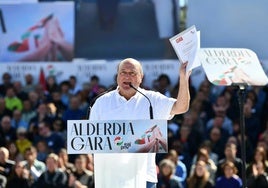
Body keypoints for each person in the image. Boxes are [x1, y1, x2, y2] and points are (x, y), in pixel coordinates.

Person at [89, 58, 191, 188]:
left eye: (132, 73)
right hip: (110, 176)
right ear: (117, 77)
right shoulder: (101, 102)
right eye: (123, 72)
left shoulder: (151, 99)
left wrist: (184, 77)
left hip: (143, 177)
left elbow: (181, 107)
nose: (127, 76)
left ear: (141, 77)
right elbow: (91, 138)